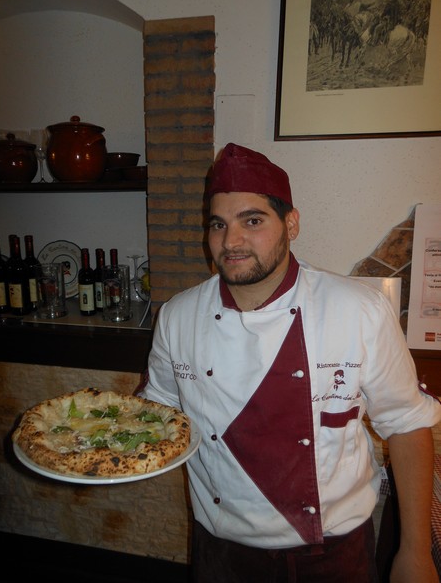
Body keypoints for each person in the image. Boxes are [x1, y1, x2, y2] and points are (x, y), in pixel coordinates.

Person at [140, 143, 441, 583]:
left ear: (292, 224)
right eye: (218, 224)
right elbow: (158, 409)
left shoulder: (359, 310)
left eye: (253, 220)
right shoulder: (178, 316)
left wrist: (415, 552)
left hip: (335, 554)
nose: (232, 241)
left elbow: (407, 425)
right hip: (223, 554)